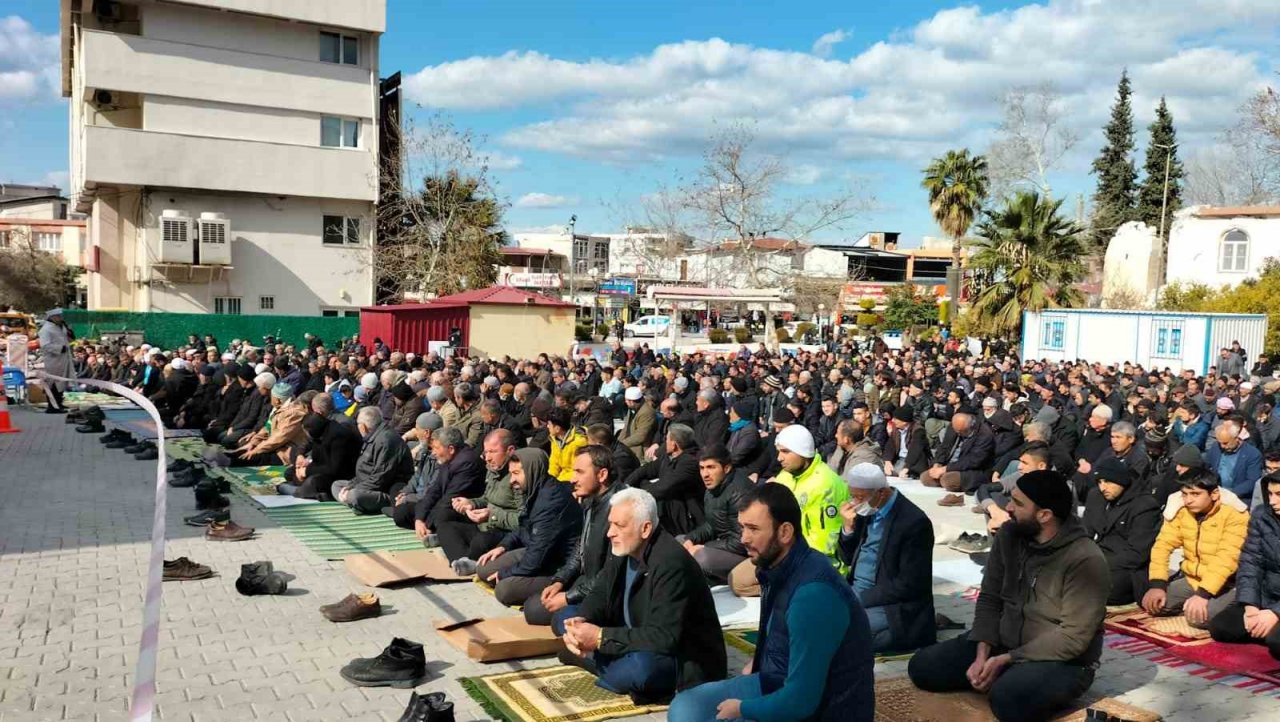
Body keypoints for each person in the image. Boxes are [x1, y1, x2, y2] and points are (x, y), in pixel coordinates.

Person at [908, 470, 1110, 722]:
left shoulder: (1085, 559)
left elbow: (1073, 638)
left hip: (1062, 659)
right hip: (1003, 643)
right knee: (922, 667)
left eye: (1018, 503)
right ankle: (1003, 674)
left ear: (1044, 515)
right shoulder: (1009, 535)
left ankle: (1011, 678)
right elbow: (990, 598)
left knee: (1008, 701)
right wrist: (983, 652)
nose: (1009, 508)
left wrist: (1007, 659)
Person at [668, 484, 873, 722]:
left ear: (785, 532)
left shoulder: (814, 594)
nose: (744, 538)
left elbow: (801, 701)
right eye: (742, 527)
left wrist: (743, 709)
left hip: (821, 710)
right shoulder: (776, 568)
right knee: (685, 707)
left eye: (753, 529)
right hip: (776, 683)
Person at [559, 488, 727, 704]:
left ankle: (592, 659)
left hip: (678, 658)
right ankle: (600, 658)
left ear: (645, 528)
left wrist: (600, 638)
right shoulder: (624, 547)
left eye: (619, 525)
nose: (610, 532)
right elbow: (601, 591)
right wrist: (582, 621)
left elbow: (664, 637)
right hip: (634, 635)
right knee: (565, 616)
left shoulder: (670, 563)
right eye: (610, 524)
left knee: (641, 670)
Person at [837, 463, 936, 654]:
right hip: (857, 592)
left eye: (859, 497)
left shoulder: (913, 522)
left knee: (842, 634)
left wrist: (859, 598)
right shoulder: (866, 510)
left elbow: (910, 585)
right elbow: (848, 559)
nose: (854, 502)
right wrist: (848, 529)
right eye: (852, 496)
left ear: (881, 493)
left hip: (891, 605)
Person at [525, 445, 621, 632]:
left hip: (606, 592)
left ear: (602, 475)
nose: (572, 479)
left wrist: (569, 597)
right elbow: (581, 547)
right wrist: (561, 579)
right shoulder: (591, 501)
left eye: (579, 472)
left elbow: (611, 573)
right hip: (587, 581)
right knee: (533, 608)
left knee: (561, 621)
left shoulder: (618, 510)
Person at [474, 448, 583, 607]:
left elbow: (536, 559)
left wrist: (506, 573)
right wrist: (504, 546)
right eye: (511, 474)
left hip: (556, 564)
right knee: (484, 569)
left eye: (517, 473)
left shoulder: (550, 501)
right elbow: (523, 526)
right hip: (536, 550)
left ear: (532, 470)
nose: (512, 480)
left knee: (504, 590)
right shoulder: (534, 489)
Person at [1142, 470, 1249, 629]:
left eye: (1195, 494)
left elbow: (1227, 560)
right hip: (1193, 578)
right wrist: (1157, 584)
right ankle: (1189, 603)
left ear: (1214, 494)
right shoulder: (1181, 511)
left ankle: (1238, 606)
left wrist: (1203, 595)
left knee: (1198, 619)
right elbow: (1162, 545)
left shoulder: (1235, 515)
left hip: (1228, 583)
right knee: (1154, 604)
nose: (1188, 500)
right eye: (1184, 494)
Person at [1209, 472, 1280, 659]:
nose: (1272, 501)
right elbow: (1251, 562)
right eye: (1270, 494)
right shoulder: (1261, 516)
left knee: (1277, 643)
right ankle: (1265, 628)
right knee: (1221, 627)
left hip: (1276, 607)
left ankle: (1270, 631)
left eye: (1279, 495)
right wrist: (1251, 606)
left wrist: (1275, 613)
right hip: (1267, 596)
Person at [437, 429, 525, 571]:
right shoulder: (493, 468)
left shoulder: (518, 476)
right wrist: (470, 503)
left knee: (482, 541)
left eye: (493, 452)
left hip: (505, 532)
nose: (488, 457)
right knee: (445, 524)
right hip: (485, 525)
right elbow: (486, 498)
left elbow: (523, 520)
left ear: (510, 450)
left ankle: (461, 555)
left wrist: (492, 515)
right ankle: (464, 559)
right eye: (486, 452)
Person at [1081, 458, 1161, 605]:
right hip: (1096, 556)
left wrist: (1096, 563)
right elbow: (1085, 533)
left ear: (1121, 480)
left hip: (1125, 567)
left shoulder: (1144, 506)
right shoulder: (1096, 496)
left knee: (1102, 587)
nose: (1102, 487)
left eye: (1107, 482)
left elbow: (1137, 554)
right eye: (1099, 482)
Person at [679, 444, 752, 584]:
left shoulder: (740, 493)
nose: (705, 474)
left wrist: (706, 547)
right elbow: (712, 524)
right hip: (724, 545)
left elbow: (743, 542)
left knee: (701, 556)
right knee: (680, 542)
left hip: (747, 555)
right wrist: (691, 539)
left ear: (726, 468)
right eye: (702, 468)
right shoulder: (713, 487)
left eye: (711, 467)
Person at [624, 423, 705, 536]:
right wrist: (627, 485)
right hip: (670, 510)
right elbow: (647, 469)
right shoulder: (668, 457)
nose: (664, 441)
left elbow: (664, 487)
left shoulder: (689, 463)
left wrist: (636, 495)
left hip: (686, 517)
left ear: (674, 444)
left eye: (666, 438)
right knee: (643, 482)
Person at [332, 407, 415, 515]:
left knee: (354, 495)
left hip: (385, 489)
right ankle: (356, 503)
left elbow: (381, 478)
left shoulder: (386, 440)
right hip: (366, 484)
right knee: (336, 485)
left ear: (362, 426)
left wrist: (353, 489)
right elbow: (364, 471)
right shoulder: (373, 437)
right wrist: (350, 486)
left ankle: (358, 502)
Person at [412, 427, 486, 538]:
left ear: (450, 449)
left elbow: (450, 497)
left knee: (441, 516)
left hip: (462, 508)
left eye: (436, 448)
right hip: (443, 503)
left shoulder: (467, 462)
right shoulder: (449, 458)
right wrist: (419, 519)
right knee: (404, 512)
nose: (434, 453)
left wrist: (426, 523)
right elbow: (435, 490)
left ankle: (436, 532)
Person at [923, 411, 996, 507]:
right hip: (949, 464)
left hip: (971, 470)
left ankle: (951, 487)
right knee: (925, 478)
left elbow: (973, 461)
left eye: (962, 432)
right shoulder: (955, 427)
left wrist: (945, 469)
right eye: (957, 431)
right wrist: (937, 463)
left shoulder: (985, 435)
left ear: (971, 426)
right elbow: (944, 447)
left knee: (948, 480)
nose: (959, 434)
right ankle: (943, 478)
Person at [1204, 420, 1264, 506]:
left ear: (1236, 438)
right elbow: (1207, 466)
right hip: (1215, 492)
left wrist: (1229, 494)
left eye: (1225, 443)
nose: (1222, 446)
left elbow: (1252, 481)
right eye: (1220, 443)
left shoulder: (1252, 454)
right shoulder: (1216, 447)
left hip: (1238, 497)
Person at [37, 308, 73, 413]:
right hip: (53, 360)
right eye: (59, 316)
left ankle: (59, 403)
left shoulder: (59, 327)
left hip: (62, 360)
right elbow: (45, 345)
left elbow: (70, 338)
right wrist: (60, 349)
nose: (61, 318)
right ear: (53, 317)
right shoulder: (46, 329)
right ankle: (52, 406)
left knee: (61, 383)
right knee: (53, 383)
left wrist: (68, 329)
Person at [880, 407, 931, 479]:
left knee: (897, 472)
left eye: (895, 419)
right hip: (900, 459)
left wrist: (906, 468)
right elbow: (890, 446)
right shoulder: (896, 429)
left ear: (904, 421)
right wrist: (887, 461)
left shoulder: (918, 431)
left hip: (913, 461)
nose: (892, 420)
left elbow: (915, 451)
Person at [547, 407, 588, 482]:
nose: (547, 426)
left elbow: (579, 470)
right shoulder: (555, 440)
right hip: (562, 478)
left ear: (557, 428)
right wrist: (550, 479)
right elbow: (554, 464)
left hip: (573, 480)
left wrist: (559, 480)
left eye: (549, 424)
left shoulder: (578, 442)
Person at [618, 386, 655, 460]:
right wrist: (617, 442)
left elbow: (640, 436)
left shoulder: (647, 412)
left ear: (632, 401)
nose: (625, 402)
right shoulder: (632, 408)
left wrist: (622, 444)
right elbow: (626, 428)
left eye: (627, 400)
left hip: (639, 447)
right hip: (628, 442)